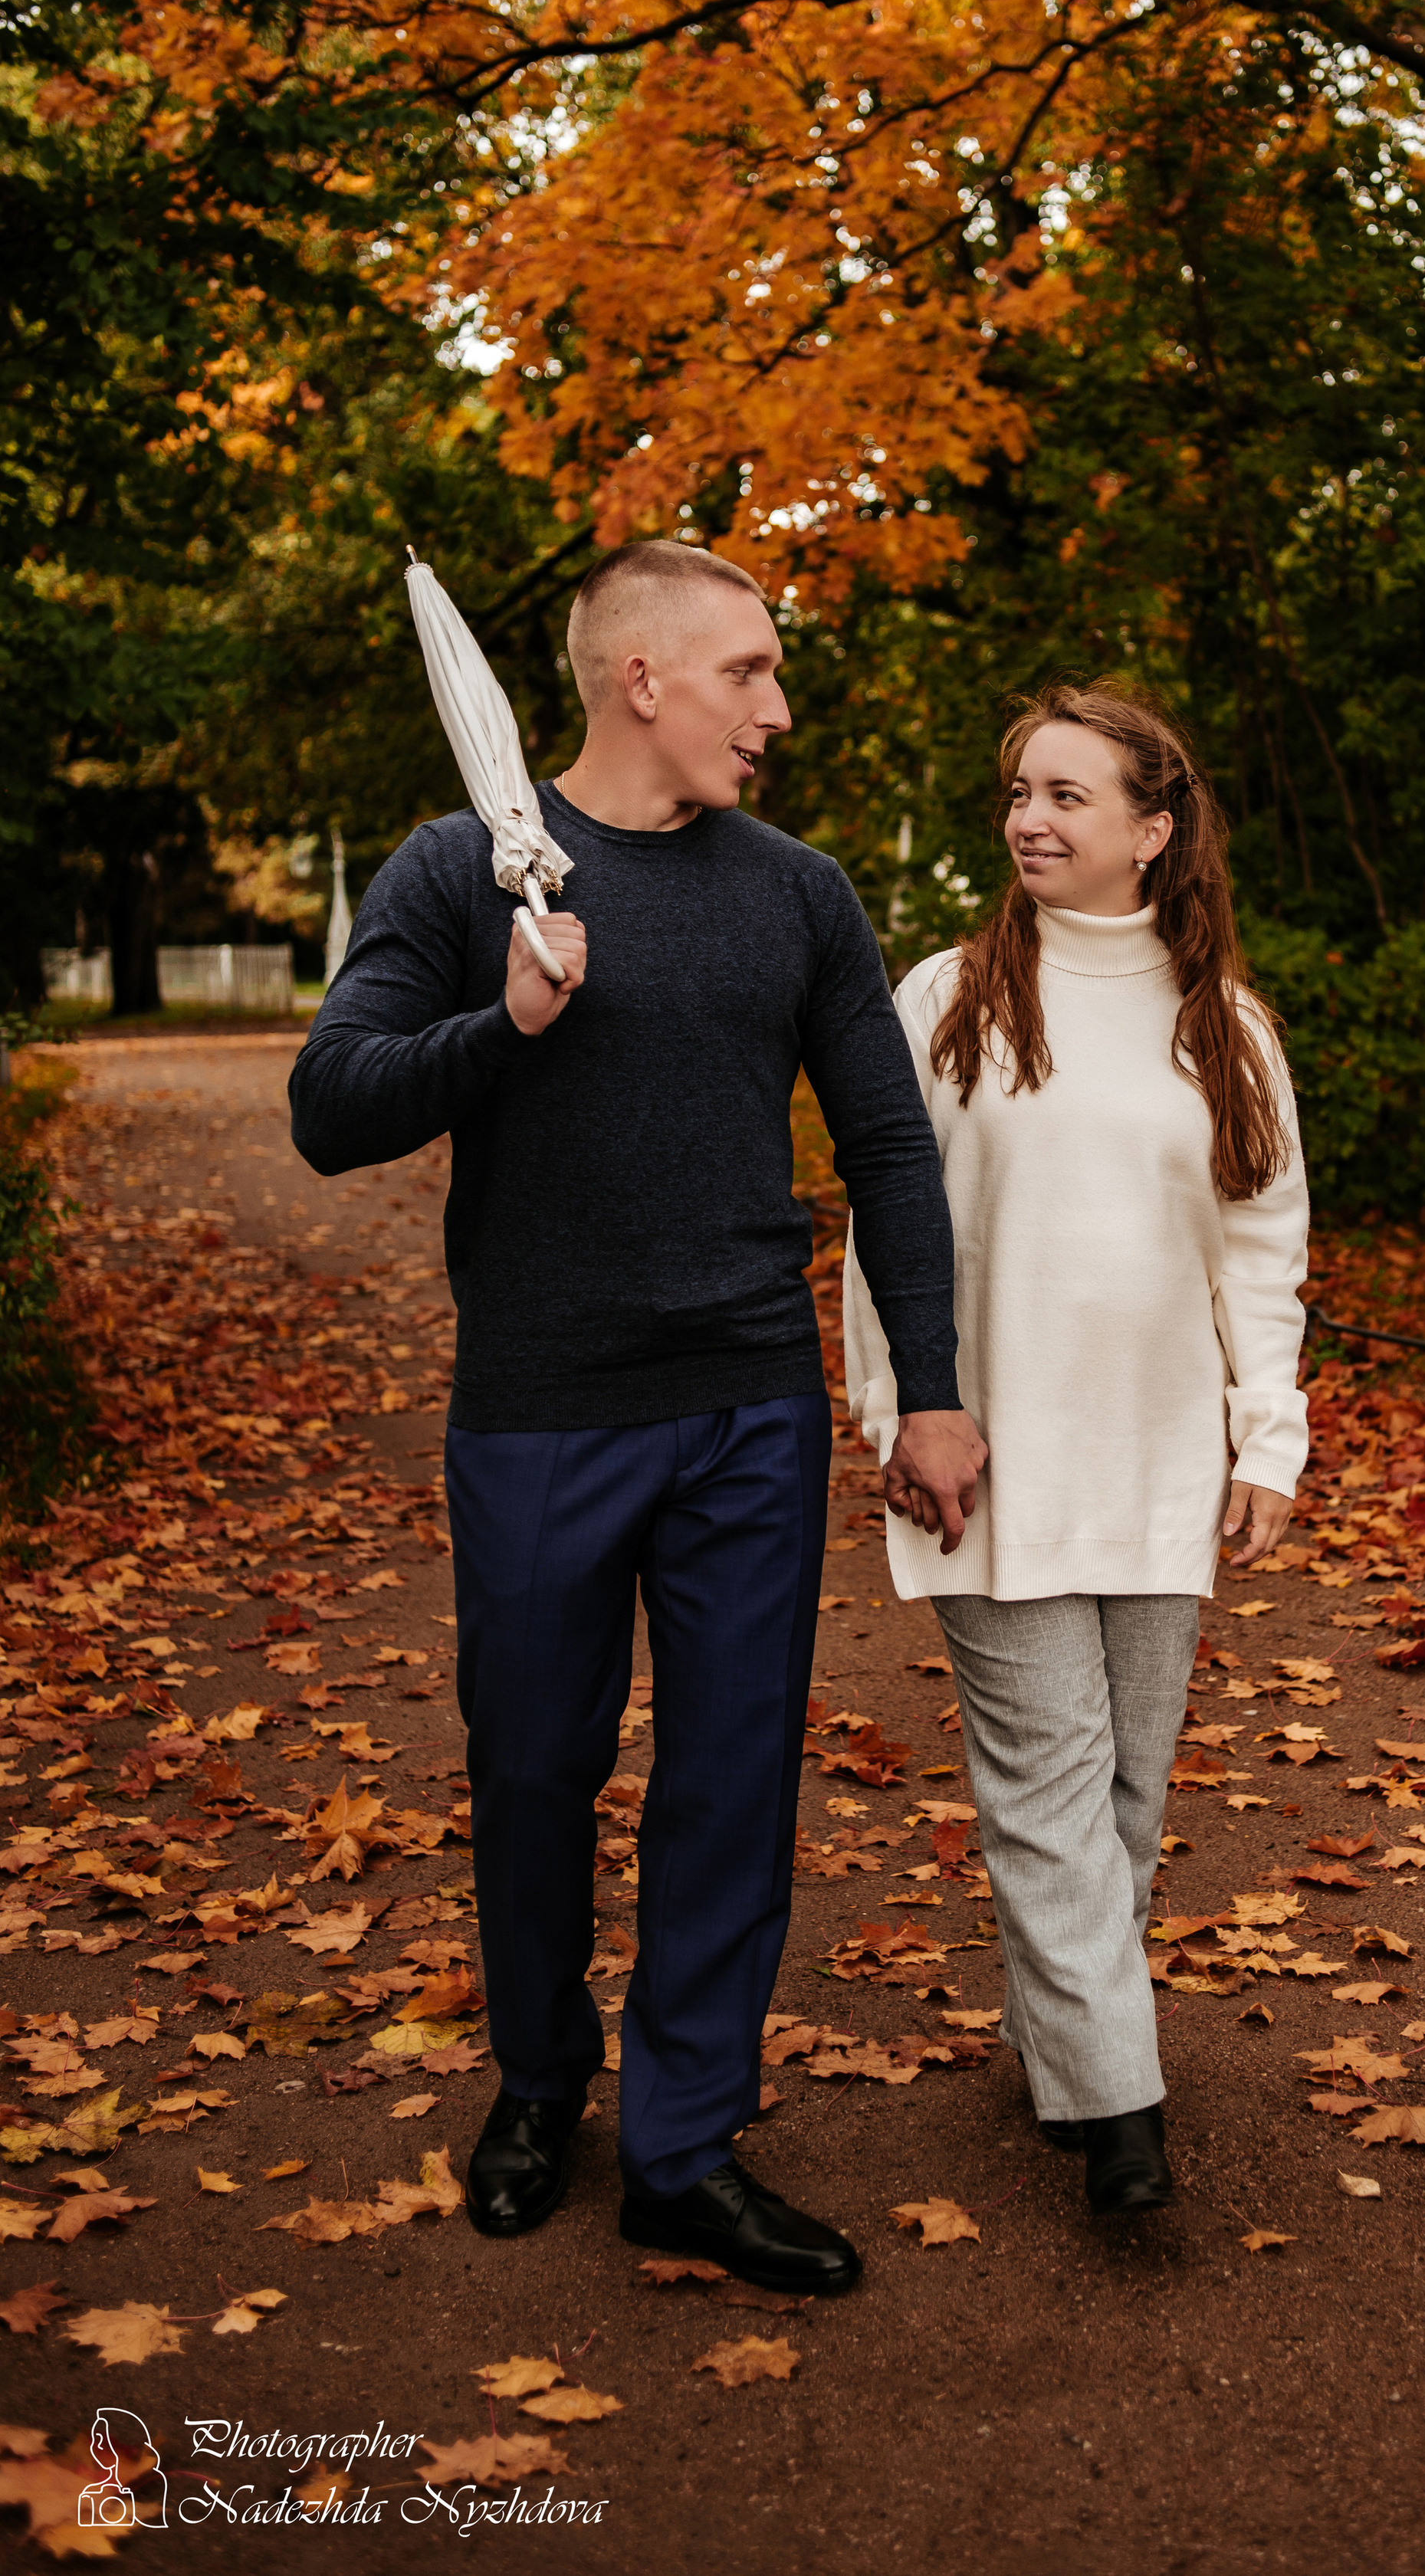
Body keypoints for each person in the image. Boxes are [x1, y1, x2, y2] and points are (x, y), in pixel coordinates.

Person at [290, 539, 987, 2295]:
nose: (772, 705)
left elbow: (889, 1148)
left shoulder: (801, 892)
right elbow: (328, 1109)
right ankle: (539, 2080)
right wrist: (503, 1022)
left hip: (746, 1403)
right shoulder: (463, 871)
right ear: (641, 681)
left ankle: (683, 2144)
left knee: (733, 1785)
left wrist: (937, 1390)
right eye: (744, 671)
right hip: (539, 1407)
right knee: (534, 1771)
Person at [844, 684, 1309, 2213]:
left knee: (1124, 1794)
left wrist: (1268, 1441)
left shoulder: (1220, 1023)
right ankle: (1121, 2120)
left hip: (1158, 1462)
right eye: (1017, 793)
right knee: (1047, 1781)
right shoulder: (949, 997)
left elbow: (1259, 1244)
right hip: (989, 1454)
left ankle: (1059, 2043)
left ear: (1152, 831)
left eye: (1065, 795)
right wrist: (891, 1406)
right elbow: (882, 1225)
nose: (1027, 819)